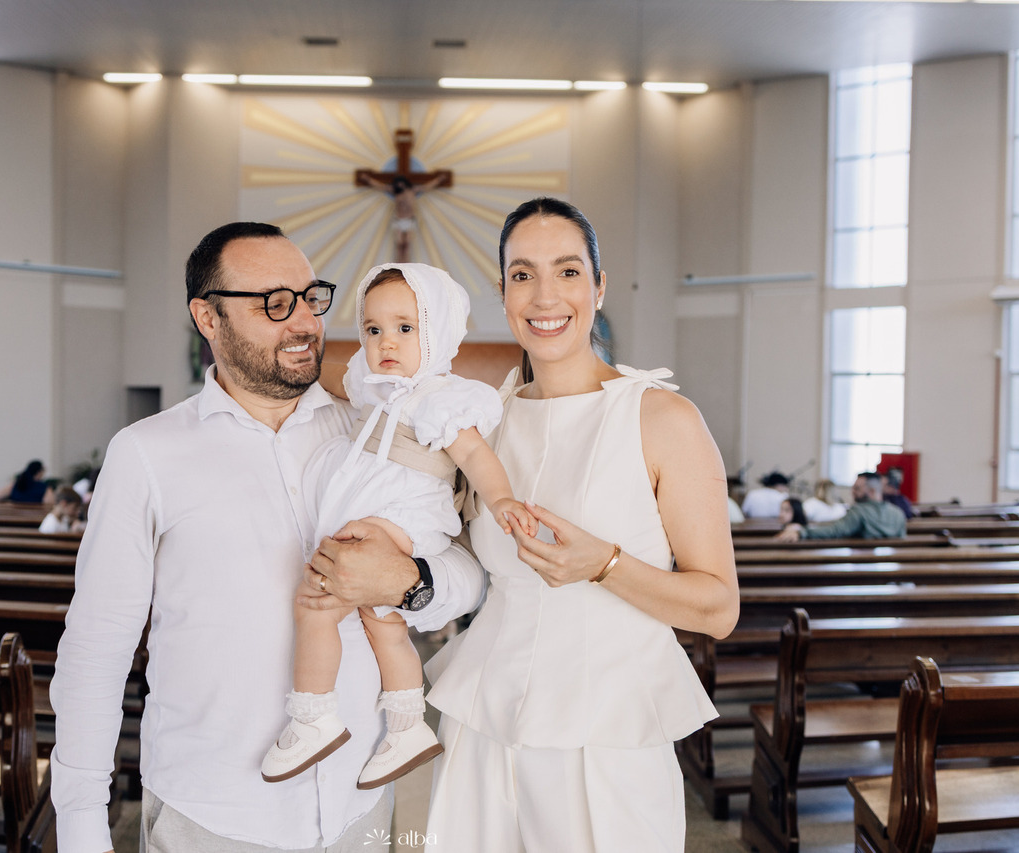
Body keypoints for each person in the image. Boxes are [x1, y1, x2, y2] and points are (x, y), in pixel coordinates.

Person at [49, 222, 485, 853]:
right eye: (275, 303)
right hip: (212, 813)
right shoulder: (147, 454)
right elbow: (97, 646)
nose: (305, 321)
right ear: (208, 317)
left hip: (356, 806)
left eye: (311, 298)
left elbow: (470, 573)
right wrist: (82, 828)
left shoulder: (373, 431)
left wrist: (412, 583)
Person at [423, 197, 740, 851]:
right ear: (503, 290)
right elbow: (458, 561)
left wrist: (605, 565)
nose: (545, 295)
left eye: (568, 271)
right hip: (484, 719)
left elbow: (718, 608)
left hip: (607, 732)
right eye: (522, 274)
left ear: (597, 286)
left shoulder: (661, 418)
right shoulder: (487, 420)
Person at [260, 263, 536, 790]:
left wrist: (501, 500)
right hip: (380, 512)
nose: (387, 342)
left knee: (317, 599)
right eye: (373, 328)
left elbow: (475, 455)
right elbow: (341, 381)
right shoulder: (374, 388)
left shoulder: (441, 396)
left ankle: (313, 714)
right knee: (380, 619)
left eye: (406, 328)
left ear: (438, 332)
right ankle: (407, 727)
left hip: (404, 514)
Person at [774, 472, 908, 542]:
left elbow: (835, 530)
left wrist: (802, 532)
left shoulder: (859, 511)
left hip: (863, 567)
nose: (852, 492)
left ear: (872, 491)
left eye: (857, 489)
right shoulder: (897, 513)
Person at [360, 173, 447, 263]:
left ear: (405, 182)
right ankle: (399, 264)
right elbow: (381, 187)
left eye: (401, 183)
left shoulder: (413, 190)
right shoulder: (395, 191)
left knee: (407, 243)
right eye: (397, 183)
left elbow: (427, 187)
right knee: (399, 243)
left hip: (410, 220)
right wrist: (368, 179)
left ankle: (406, 263)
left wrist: (439, 179)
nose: (399, 185)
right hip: (398, 220)